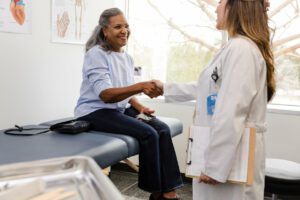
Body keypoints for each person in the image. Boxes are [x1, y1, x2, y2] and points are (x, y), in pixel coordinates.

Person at [154, 0, 275, 199]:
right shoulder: (234, 47)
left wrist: (216, 167)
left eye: (220, 2)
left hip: (231, 160)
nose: (216, 7)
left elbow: (232, 111)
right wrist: (165, 88)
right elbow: (209, 89)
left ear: (236, 7)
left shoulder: (241, 50)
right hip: (224, 153)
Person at [74, 8, 183, 200]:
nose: (124, 30)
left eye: (126, 26)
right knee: (148, 133)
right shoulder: (96, 54)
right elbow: (106, 95)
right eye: (118, 27)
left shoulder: (127, 57)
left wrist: (139, 107)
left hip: (120, 109)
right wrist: (141, 86)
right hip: (95, 111)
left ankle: (170, 192)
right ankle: (156, 192)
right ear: (105, 31)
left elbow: (124, 90)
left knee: (162, 129)